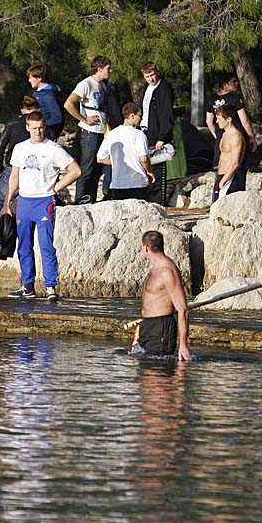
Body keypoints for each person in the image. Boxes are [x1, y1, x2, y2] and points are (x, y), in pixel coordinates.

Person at [2, 112, 82, 301]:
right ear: (27, 128)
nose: (38, 131)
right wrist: (7, 203)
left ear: (44, 127)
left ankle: (50, 286)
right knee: (24, 245)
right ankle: (27, 285)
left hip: (44, 200)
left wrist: (56, 188)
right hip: (24, 200)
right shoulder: (20, 148)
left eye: (41, 128)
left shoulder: (53, 149)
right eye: (34, 128)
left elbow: (76, 170)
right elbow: (14, 176)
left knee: (46, 244)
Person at [137, 230, 191, 361]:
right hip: (148, 326)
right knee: (145, 377)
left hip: (161, 328)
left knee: (158, 376)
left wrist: (183, 345)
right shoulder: (154, 268)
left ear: (145, 248)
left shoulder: (167, 271)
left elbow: (182, 309)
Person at [64, 56, 111, 203]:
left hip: (100, 131)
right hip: (89, 133)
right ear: (99, 69)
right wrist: (84, 119)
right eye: (108, 68)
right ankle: (80, 200)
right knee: (87, 168)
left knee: (96, 169)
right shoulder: (85, 84)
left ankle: (90, 198)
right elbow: (68, 104)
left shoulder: (102, 85)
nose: (110, 71)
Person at [0, 96, 40, 224]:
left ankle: (0, 232)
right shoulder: (43, 126)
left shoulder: (12, 124)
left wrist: (0, 167)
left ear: (22, 110)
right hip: (34, 168)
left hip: (13, 167)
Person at [96, 102, 155, 200]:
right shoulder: (139, 135)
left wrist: (117, 162)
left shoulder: (111, 134)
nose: (141, 119)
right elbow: (144, 159)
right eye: (140, 116)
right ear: (132, 115)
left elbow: (100, 158)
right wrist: (149, 171)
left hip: (117, 185)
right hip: (138, 183)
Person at [137, 61, 175, 206]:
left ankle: (159, 201)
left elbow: (166, 114)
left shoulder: (164, 88)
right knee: (145, 166)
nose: (150, 79)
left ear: (157, 73)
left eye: (152, 75)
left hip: (157, 134)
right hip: (145, 131)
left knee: (158, 169)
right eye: (147, 76)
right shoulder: (145, 89)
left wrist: (162, 137)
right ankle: (148, 198)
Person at [205, 73, 257, 167]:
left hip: (221, 137)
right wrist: (251, 137)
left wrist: (217, 135)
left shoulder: (210, 99)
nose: (237, 83)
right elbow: (244, 120)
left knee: (220, 166)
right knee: (239, 166)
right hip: (237, 135)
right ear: (225, 84)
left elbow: (209, 121)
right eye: (233, 82)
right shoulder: (235, 98)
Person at [212, 105, 245, 202]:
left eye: (219, 119)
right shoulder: (224, 134)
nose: (216, 122)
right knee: (216, 209)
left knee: (223, 210)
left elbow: (235, 162)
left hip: (229, 177)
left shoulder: (235, 136)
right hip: (220, 175)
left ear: (229, 119)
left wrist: (224, 180)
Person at [27, 65, 64, 140]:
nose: (29, 80)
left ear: (39, 78)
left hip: (45, 134)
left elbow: (57, 118)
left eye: (31, 78)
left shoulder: (48, 95)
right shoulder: (37, 93)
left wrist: (39, 124)